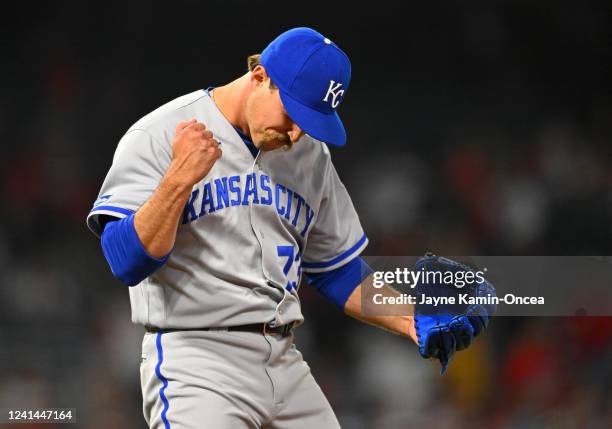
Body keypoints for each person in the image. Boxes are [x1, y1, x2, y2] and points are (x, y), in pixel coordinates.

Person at [86, 27, 488, 429]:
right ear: (260, 75)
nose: (297, 132)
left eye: (310, 122)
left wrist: (411, 320)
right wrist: (177, 180)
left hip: (284, 358)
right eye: (294, 114)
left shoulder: (309, 154)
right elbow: (126, 260)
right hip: (197, 359)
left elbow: (336, 270)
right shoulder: (159, 134)